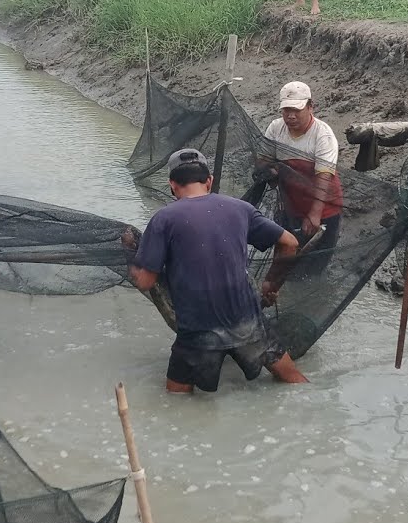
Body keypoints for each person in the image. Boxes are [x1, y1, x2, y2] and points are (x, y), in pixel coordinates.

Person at [124, 148, 309, 394]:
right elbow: (290, 243)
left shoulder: (164, 219)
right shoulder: (240, 208)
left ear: (172, 185)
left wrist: (130, 257)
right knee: (293, 380)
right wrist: (271, 284)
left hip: (198, 328)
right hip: (246, 320)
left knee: (175, 398)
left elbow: (146, 281)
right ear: (209, 181)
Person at [261, 81, 343, 276]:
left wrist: (315, 215)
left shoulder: (323, 135)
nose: (291, 116)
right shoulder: (276, 128)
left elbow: (324, 176)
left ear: (310, 107)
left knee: (312, 268)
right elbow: (263, 159)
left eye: (296, 110)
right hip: (291, 205)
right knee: (284, 262)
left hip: (324, 208)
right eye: (286, 110)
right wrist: (270, 171)